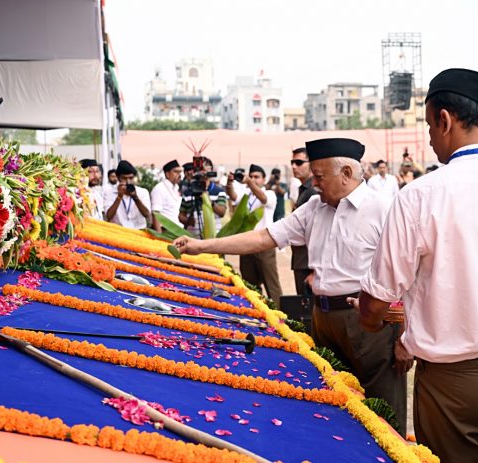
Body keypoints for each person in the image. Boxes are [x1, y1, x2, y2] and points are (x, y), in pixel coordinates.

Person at [357, 68, 478, 462]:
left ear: (445, 120)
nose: (431, 140)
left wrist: (370, 316)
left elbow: (377, 301)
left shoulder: (421, 196)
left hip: (455, 384)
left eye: (430, 127)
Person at [174, 138, 407, 434]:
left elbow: (406, 274)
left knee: (383, 411)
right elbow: (264, 238)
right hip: (322, 320)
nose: (315, 183)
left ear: (347, 173)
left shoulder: (383, 209)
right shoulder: (314, 208)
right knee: (334, 407)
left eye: (320, 176)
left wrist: (403, 336)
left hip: (367, 321)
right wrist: (202, 246)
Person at [226, 164, 282, 307]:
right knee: (250, 284)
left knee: (272, 285)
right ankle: (257, 311)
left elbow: (263, 198)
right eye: (251, 176)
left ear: (264, 180)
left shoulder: (270, 194)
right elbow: (232, 196)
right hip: (246, 244)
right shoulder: (247, 195)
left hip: (264, 246)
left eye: (256, 177)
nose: (253, 179)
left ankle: (281, 317)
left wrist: (249, 183)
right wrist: (230, 182)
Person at [289, 147, 318, 296]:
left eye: (299, 162)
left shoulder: (314, 191)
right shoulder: (304, 190)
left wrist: (315, 270)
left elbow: (320, 232)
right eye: (292, 162)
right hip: (301, 259)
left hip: (308, 263)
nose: (294, 166)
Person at [179, 157, 227, 238]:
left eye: (206, 170)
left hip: (213, 239)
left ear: (211, 171)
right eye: (201, 170)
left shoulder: (219, 191)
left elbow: (222, 212)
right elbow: (181, 216)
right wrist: (188, 221)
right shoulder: (188, 193)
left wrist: (208, 200)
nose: (203, 173)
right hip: (193, 238)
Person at [104, 160, 151, 229]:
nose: (128, 181)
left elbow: (146, 214)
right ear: (118, 177)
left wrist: (135, 198)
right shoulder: (109, 192)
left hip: (139, 230)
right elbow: (108, 216)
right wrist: (119, 197)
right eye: (124, 178)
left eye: (131, 178)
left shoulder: (143, 192)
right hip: (118, 231)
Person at [150, 159, 183, 232]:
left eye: (180, 172)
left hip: (176, 229)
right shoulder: (159, 189)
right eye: (175, 172)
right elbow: (156, 213)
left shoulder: (176, 188)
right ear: (167, 174)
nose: (179, 174)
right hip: (165, 230)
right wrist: (159, 236)